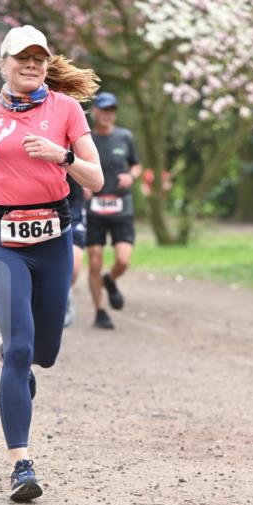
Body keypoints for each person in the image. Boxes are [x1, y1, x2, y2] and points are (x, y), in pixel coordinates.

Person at [0, 25, 103, 501]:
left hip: (54, 238)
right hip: (3, 239)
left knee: (44, 353)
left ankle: (19, 352)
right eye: (21, 58)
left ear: (47, 62)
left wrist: (63, 155)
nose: (30, 65)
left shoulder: (66, 110)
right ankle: (21, 466)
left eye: (38, 58)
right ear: (4, 63)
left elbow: (95, 177)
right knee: (18, 350)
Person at [86, 92, 142, 329]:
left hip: (121, 206)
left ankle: (111, 279)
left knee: (123, 260)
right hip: (94, 208)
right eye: (103, 110)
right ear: (95, 112)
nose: (107, 115)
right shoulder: (85, 138)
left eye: (112, 111)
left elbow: (136, 165)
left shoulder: (125, 137)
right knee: (95, 261)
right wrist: (82, 183)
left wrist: (131, 176)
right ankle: (100, 311)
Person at [63, 171, 87, 328]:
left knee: (74, 265)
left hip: (73, 211)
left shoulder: (75, 145)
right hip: (41, 212)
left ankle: (64, 295)